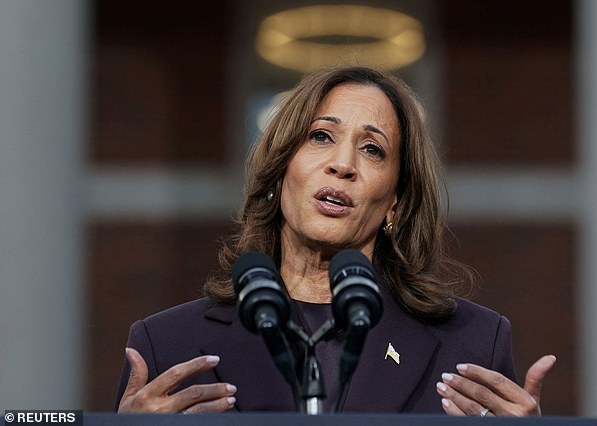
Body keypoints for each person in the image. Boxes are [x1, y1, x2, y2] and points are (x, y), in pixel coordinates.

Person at [115, 66, 556, 415]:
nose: (343, 164)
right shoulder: (167, 344)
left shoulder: (472, 345)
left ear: (395, 202)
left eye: (372, 149)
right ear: (280, 168)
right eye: (320, 137)